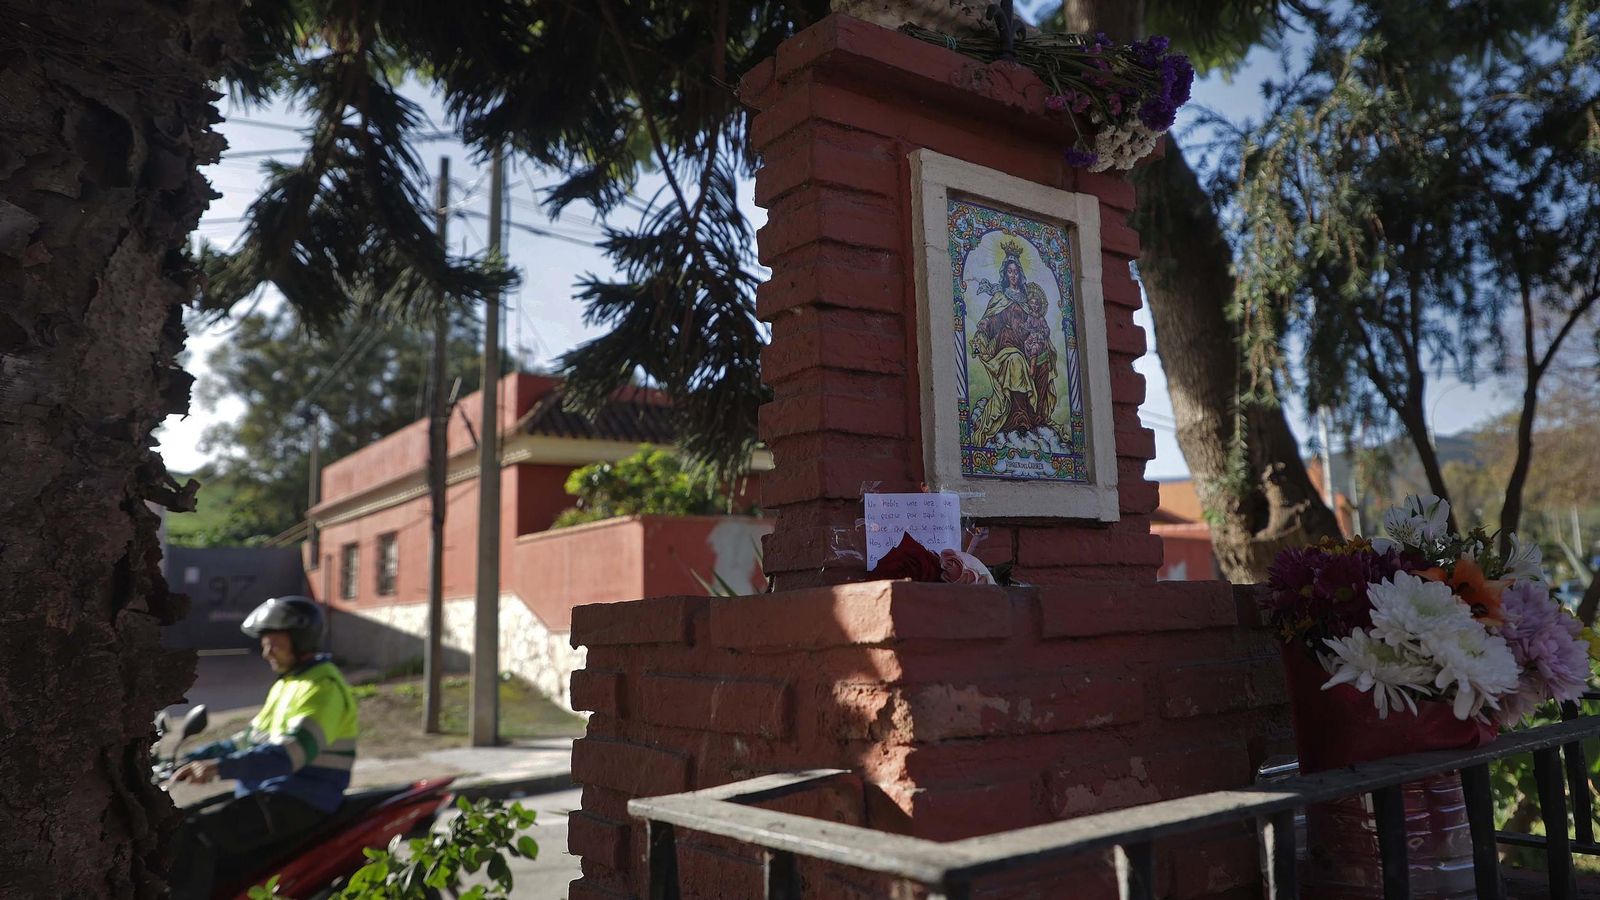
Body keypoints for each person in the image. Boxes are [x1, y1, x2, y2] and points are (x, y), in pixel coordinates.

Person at [168, 596, 359, 900]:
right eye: (264, 643)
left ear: (300, 640)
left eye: (275, 643)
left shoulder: (321, 688)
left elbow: (289, 754)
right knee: (180, 821)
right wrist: (192, 757)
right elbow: (247, 740)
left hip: (301, 797)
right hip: (273, 791)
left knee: (196, 834)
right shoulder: (289, 684)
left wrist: (219, 768)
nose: (266, 651)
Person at [969, 241, 1062, 448]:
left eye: (1016, 272)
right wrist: (985, 325)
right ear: (1005, 274)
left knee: (1044, 363)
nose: (1013, 275)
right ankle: (1018, 418)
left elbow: (1036, 323)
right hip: (1007, 344)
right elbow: (993, 321)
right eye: (1009, 271)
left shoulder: (1027, 300)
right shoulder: (1001, 298)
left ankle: (1035, 416)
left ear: (1020, 275)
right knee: (1017, 361)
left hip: (1026, 344)